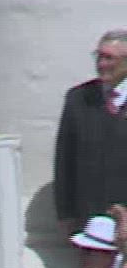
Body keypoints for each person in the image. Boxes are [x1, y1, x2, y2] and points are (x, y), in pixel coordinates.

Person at [54, 30, 127, 236]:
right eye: (99, 56)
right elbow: (65, 157)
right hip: (91, 214)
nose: (101, 64)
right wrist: (66, 212)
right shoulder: (79, 98)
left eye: (109, 58)